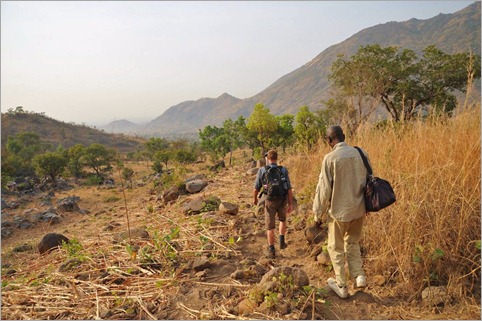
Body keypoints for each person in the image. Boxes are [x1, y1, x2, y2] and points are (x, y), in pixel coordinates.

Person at [312, 125, 369, 299]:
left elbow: (323, 190)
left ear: (329, 140)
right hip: (359, 209)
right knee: (352, 243)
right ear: (344, 136)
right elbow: (368, 178)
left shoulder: (330, 158)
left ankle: (342, 285)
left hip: (339, 212)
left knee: (335, 247)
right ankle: (359, 276)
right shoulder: (361, 153)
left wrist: (317, 214)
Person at [253, 149, 293, 259]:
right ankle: (281, 241)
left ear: (268, 159)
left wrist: (255, 200)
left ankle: (271, 250)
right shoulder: (283, 170)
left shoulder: (262, 170)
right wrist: (290, 203)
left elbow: (256, 188)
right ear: (276, 158)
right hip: (282, 199)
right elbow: (289, 188)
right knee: (282, 220)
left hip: (269, 200)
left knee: (270, 226)